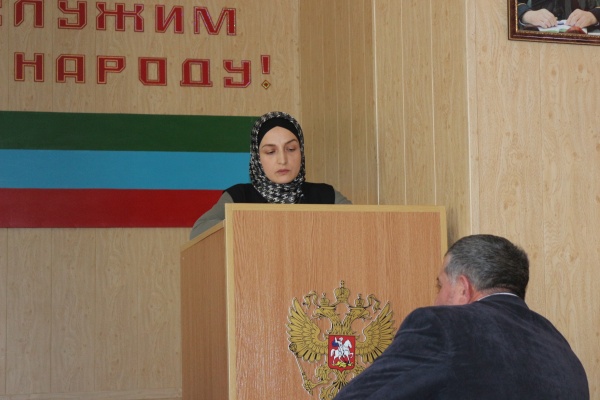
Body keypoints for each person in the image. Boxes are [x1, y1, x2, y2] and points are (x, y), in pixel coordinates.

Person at [334, 234, 589, 400]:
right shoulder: (561, 348)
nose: (436, 300)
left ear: (463, 288)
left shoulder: (441, 326)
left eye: (440, 285)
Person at [189, 111, 351, 239]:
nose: (283, 160)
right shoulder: (240, 196)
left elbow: (358, 224)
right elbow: (199, 231)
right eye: (271, 152)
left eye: (291, 149)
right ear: (257, 158)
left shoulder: (325, 195)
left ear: (301, 152)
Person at [518, 0, 600, 29]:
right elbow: (512, 4)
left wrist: (594, 15)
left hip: (587, 41)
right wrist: (527, 14)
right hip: (536, 41)